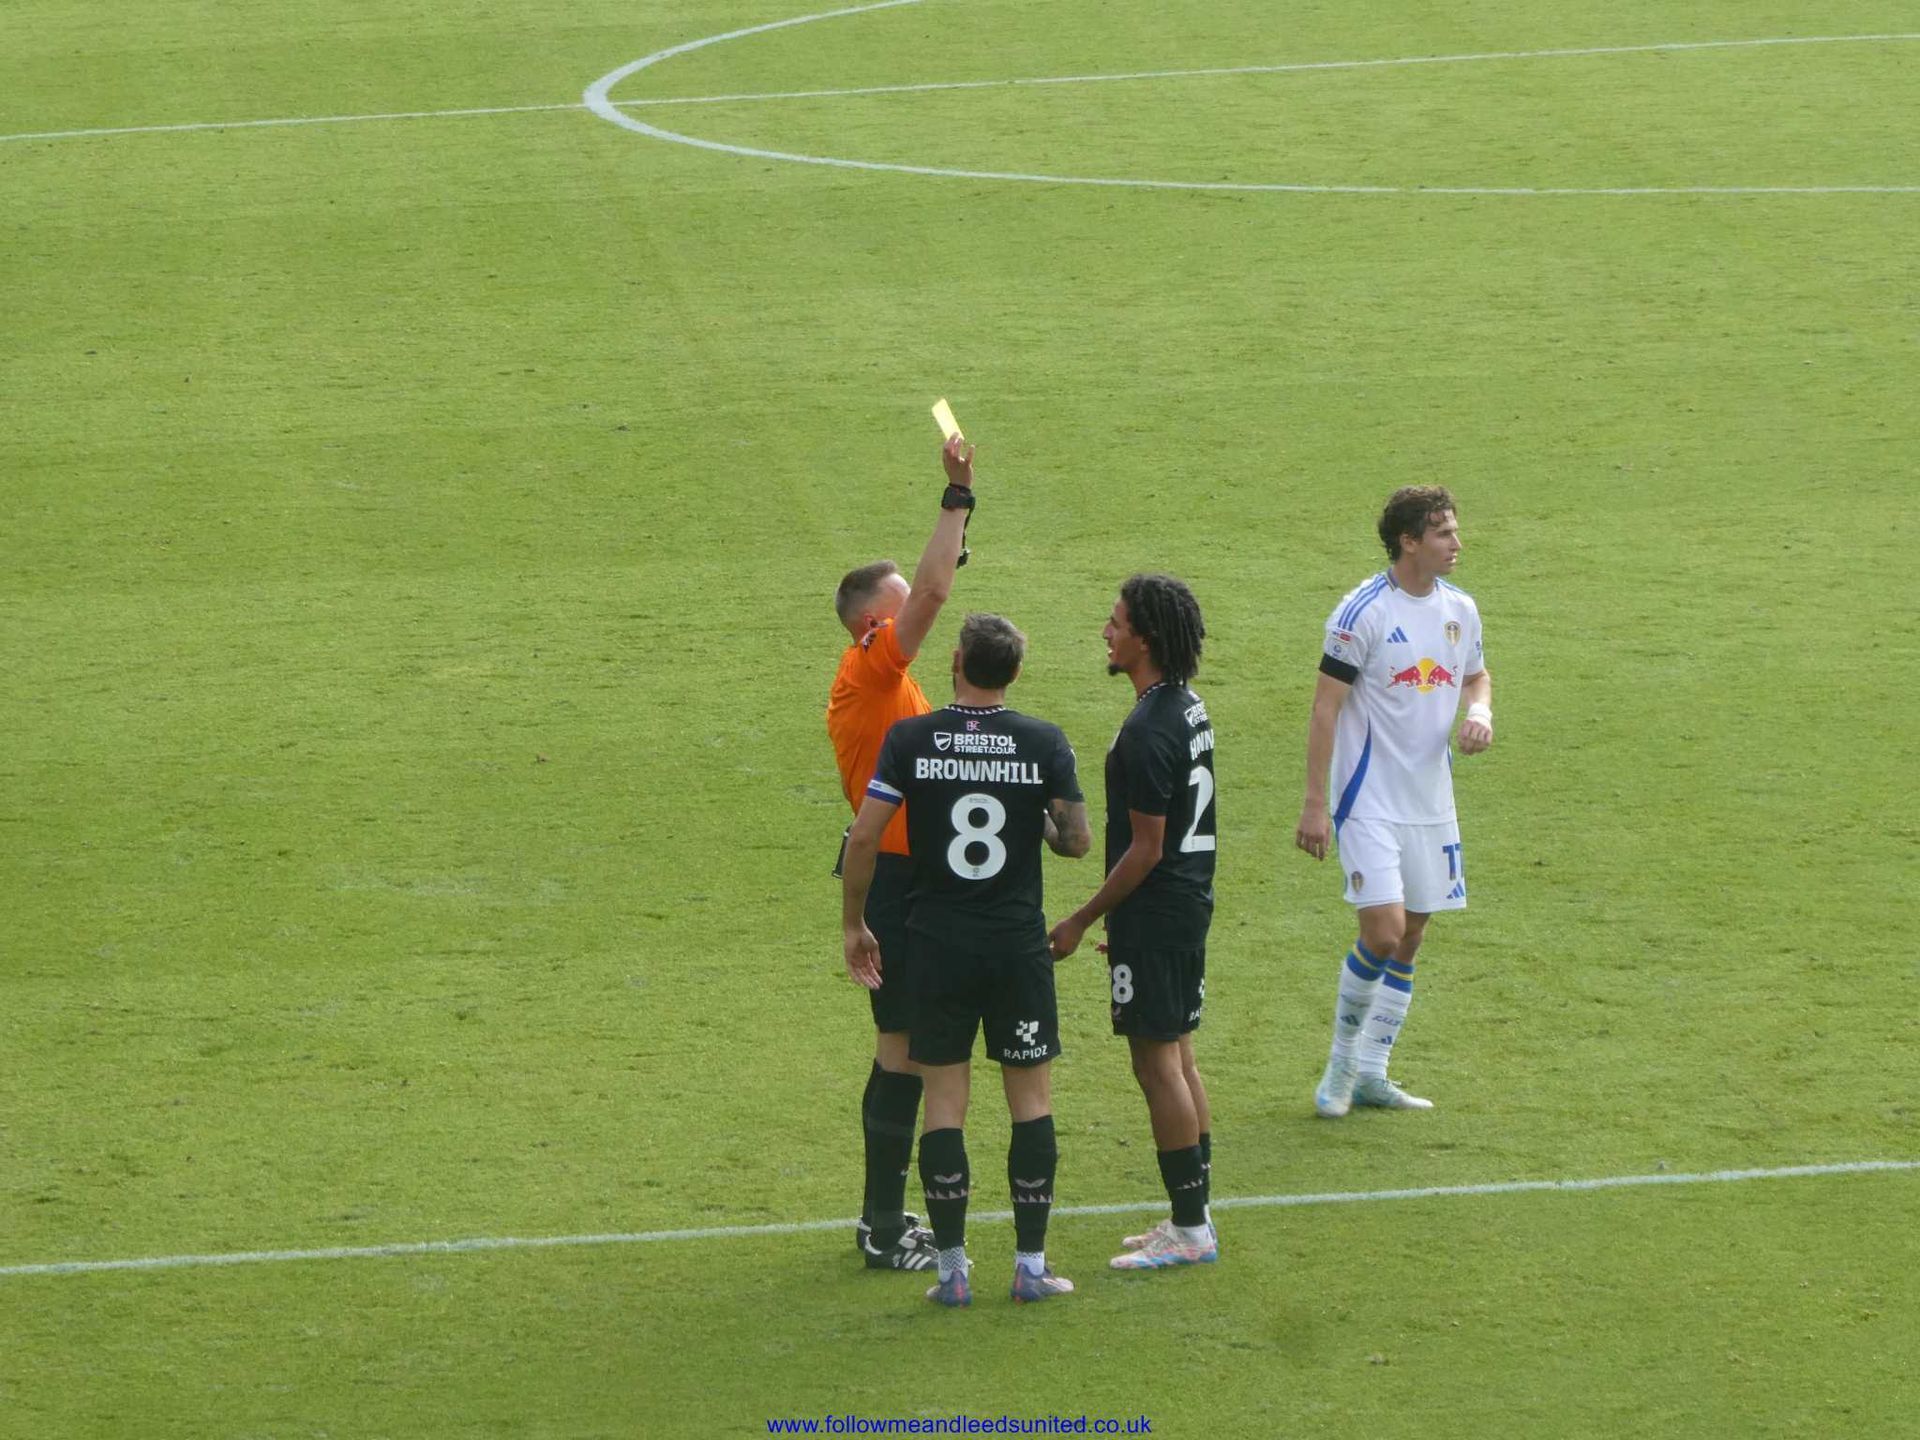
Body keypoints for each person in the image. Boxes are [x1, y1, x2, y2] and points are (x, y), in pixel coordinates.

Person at [841, 614, 1091, 1307]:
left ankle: (951, 1271)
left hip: (935, 945)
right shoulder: (1043, 741)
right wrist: (1034, 814)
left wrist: (855, 923)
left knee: (945, 1106)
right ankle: (1030, 1266)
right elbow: (1076, 842)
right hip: (1016, 949)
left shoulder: (911, 739)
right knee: (1030, 1104)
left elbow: (864, 839)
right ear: (1015, 672)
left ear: (955, 661)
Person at [826, 433, 976, 1272]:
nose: (922, 611)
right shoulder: (872, 672)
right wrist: (956, 496)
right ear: (873, 625)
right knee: (902, 1052)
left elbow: (932, 584)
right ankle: (882, 1228)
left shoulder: (881, 681)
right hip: (899, 885)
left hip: (913, 878)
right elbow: (934, 590)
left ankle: (881, 1218)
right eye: (904, 606)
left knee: (909, 1051)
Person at [1295, 486, 1493, 1118]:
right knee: (1381, 931)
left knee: (1412, 933)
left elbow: (1475, 676)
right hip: (1368, 799)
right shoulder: (1362, 612)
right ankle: (1341, 1064)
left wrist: (1480, 713)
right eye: (1443, 533)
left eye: (1454, 531)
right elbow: (1325, 708)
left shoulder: (1461, 609)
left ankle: (1374, 1074)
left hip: (1431, 800)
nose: (1457, 544)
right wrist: (1315, 805)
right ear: (1409, 542)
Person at [1049, 575, 1219, 1273]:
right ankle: (1192, 1215)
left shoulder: (1147, 730)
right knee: (1179, 1057)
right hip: (1184, 903)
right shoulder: (1186, 705)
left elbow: (1145, 848)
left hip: (1158, 907)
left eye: (1116, 623)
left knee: (1157, 1065)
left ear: (1145, 639)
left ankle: (1191, 1229)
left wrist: (1083, 918)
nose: (1106, 632)